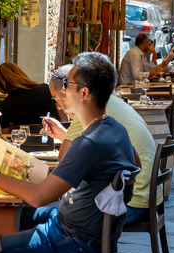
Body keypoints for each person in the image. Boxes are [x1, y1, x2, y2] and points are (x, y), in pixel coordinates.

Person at [0, 53, 139, 253]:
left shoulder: (88, 143)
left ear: (83, 93)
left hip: (73, 240)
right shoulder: (116, 129)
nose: (62, 90)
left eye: (67, 84)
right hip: (74, 224)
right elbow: (135, 164)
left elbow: (39, 197)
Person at [43, 64, 157, 225]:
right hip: (145, 197)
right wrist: (64, 135)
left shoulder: (87, 107)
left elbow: (64, 161)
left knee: (58, 214)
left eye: (56, 98)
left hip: (129, 204)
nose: (58, 106)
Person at [0, 62, 60, 128]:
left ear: (1, 84)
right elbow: (62, 115)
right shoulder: (45, 89)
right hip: (54, 137)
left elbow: (3, 132)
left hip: (23, 139)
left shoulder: (4, 107)